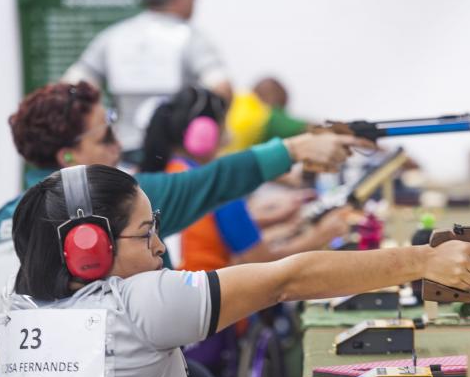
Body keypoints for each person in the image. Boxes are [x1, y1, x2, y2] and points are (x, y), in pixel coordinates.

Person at [0, 164, 470, 377]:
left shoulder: (22, 315)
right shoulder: (138, 302)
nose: (159, 248)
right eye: (147, 233)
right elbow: (288, 280)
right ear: (90, 247)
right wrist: (424, 260)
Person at [0, 80, 369, 339]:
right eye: (106, 130)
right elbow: (214, 182)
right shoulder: (116, 202)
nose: (117, 141)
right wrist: (295, 149)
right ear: (69, 155)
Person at [139, 86, 349, 271]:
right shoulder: (216, 187)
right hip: (218, 310)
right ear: (205, 134)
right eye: (224, 124)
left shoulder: (170, 176)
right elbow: (262, 262)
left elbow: (212, 231)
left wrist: (276, 219)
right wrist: (322, 235)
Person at [63, 0, 232, 159]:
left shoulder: (114, 35)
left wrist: (97, 127)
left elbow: (71, 85)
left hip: (122, 151)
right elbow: (222, 88)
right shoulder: (192, 38)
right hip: (175, 156)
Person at [222, 77, 309, 156]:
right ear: (273, 99)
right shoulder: (262, 115)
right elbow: (307, 130)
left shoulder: (237, 98)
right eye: (280, 108)